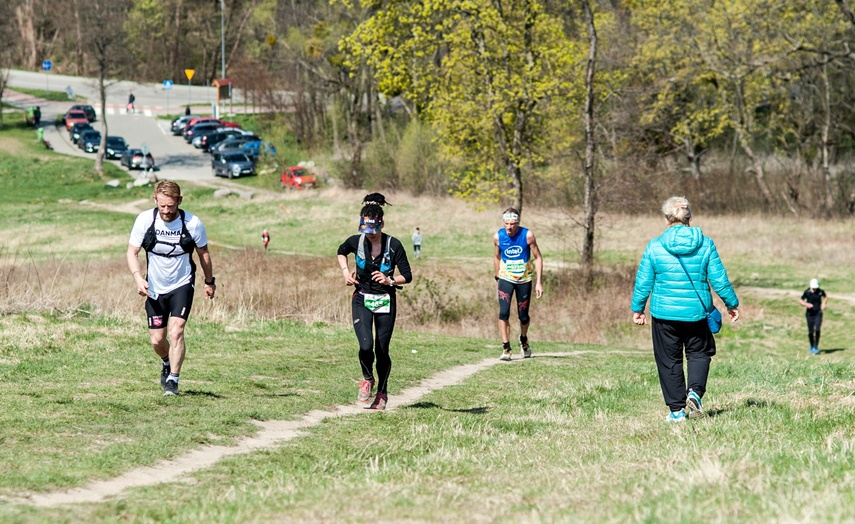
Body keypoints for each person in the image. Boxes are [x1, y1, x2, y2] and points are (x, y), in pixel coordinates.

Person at [631, 196, 739, 423]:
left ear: (666, 219)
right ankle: (695, 393)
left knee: (668, 360)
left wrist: (638, 309)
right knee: (699, 353)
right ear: (690, 218)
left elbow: (643, 281)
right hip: (697, 313)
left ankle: (677, 411)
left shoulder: (655, 246)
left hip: (664, 314)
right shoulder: (706, 243)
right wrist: (731, 303)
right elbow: (719, 279)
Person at [126, 180, 216, 396]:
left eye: (171, 206)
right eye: (162, 206)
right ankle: (166, 362)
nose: (166, 211)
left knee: (176, 331)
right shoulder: (145, 220)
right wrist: (138, 278)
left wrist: (209, 281)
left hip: (182, 284)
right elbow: (132, 252)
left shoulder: (193, 223)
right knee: (157, 340)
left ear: (179, 201)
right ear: (155, 200)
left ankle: (173, 381)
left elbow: (203, 254)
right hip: (155, 288)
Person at [337, 193, 412, 410]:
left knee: (381, 349)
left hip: (385, 301)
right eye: (366, 231)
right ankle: (367, 379)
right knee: (365, 345)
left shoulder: (394, 244)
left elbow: (407, 275)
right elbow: (341, 252)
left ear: (382, 224)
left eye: (374, 231)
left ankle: (382, 392)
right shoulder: (356, 241)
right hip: (361, 298)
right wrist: (345, 272)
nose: (370, 235)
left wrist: (390, 280)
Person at [493, 207, 543, 361]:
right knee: (504, 313)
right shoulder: (498, 237)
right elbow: (496, 257)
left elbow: (538, 258)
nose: (509, 227)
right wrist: (497, 278)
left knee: (523, 316)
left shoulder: (527, 235)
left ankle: (523, 339)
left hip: (524, 279)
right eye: (506, 223)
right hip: (505, 279)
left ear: (518, 222)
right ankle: (506, 347)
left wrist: (539, 282)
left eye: (513, 223)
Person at [799, 278, 827, 355]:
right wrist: (806, 304)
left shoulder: (820, 292)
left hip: (818, 313)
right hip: (810, 314)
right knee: (811, 332)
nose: (814, 289)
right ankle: (812, 346)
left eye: (815, 288)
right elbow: (800, 300)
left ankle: (816, 346)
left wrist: (824, 303)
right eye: (813, 288)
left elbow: (825, 296)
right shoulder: (807, 292)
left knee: (817, 330)